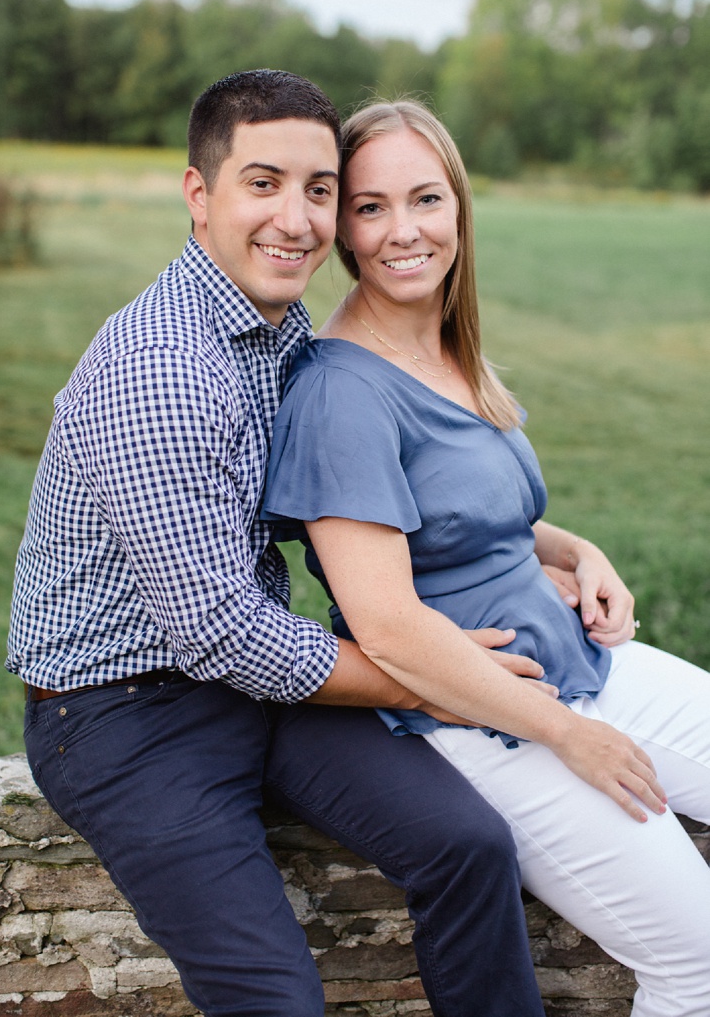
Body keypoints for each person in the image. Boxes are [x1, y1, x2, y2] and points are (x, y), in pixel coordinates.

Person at [7, 70, 552, 1015]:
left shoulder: (280, 334)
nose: (295, 220)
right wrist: (436, 673)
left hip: (254, 684)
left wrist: (561, 548)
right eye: (263, 183)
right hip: (121, 716)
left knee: (471, 847)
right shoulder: (162, 369)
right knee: (276, 999)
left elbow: (373, 499)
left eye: (319, 190)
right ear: (198, 193)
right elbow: (219, 629)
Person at [262, 99, 710, 1015]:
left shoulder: (445, 348)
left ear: (459, 208)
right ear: (343, 227)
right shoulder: (340, 391)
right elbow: (386, 621)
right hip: (486, 715)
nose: (403, 232)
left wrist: (581, 550)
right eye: (371, 206)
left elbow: (474, 515)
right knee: (698, 960)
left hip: (578, 659)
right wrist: (568, 736)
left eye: (424, 199)